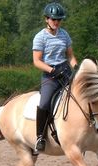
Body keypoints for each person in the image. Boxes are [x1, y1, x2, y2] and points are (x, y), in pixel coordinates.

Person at [32, 2, 78, 154]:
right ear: (47, 19)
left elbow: (70, 56)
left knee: (80, 97)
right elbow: (37, 61)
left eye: (59, 19)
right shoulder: (40, 37)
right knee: (44, 103)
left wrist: (77, 68)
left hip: (65, 71)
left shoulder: (64, 34)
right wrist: (52, 70)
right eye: (53, 19)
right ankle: (40, 137)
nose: (56, 22)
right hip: (50, 76)